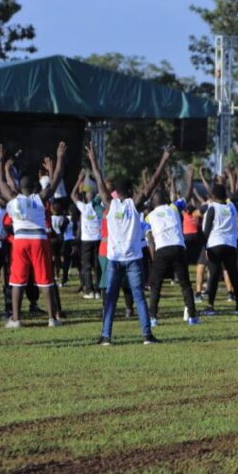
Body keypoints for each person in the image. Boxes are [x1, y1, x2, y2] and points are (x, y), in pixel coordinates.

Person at [85, 142, 169, 345]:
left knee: (111, 299)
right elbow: (153, 182)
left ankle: (106, 336)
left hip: (113, 259)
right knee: (139, 297)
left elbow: (98, 178)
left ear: (115, 191)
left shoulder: (109, 203)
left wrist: (93, 159)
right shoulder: (135, 204)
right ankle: (147, 336)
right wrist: (164, 158)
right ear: (131, 191)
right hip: (133, 259)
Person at [0, 141, 66, 328]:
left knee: (17, 280)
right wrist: (59, 157)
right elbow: (56, 178)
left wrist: (0, 160)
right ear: (34, 188)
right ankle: (52, 319)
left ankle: (16, 319)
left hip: (20, 241)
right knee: (45, 280)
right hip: (39, 240)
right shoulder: (40, 198)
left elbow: (0, 181)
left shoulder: (13, 199)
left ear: (19, 187)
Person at [146, 187, 198, 326]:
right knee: (185, 284)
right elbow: (186, 195)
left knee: (156, 286)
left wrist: (154, 258)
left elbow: (150, 239)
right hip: (178, 247)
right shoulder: (173, 207)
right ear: (165, 200)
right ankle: (193, 317)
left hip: (161, 250)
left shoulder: (149, 216)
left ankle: (152, 319)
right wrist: (190, 179)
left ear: (153, 203)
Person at [200, 183, 238, 316]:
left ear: (213, 196)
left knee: (213, 276)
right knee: (234, 276)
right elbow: (237, 222)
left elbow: (207, 230)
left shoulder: (212, 208)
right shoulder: (231, 207)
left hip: (215, 244)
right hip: (230, 244)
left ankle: (210, 306)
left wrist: (205, 248)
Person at [73, 172, 103, 299]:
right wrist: (98, 179)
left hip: (86, 241)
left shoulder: (83, 207)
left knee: (86, 266)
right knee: (98, 266)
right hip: (98, 239)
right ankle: (98, 291)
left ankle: (89, 290)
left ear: (85, 197)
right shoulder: (100, 207)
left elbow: (72, 195)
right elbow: (105, 193)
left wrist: (79, 179)